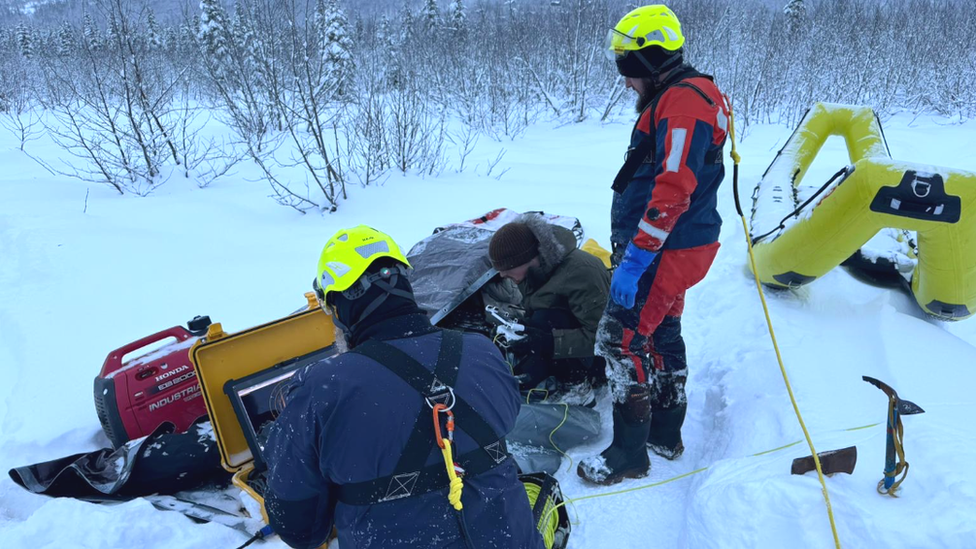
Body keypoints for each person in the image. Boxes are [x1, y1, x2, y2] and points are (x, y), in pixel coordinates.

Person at [263, 225, 545, 549]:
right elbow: (506, 417)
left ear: (340, 308)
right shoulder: (482, 351)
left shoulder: (321, 387)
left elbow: (299, 529)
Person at [577, 5, 730, 486]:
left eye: (629, 69)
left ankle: (628, 454)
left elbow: (675, 186)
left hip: (665, 248)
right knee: (661, 333)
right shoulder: (682, 96)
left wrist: (638, 255)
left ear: (653, 60)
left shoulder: (684, 102)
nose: (625, 82)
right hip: (675, 244)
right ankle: (665, 433)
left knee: (620, 341)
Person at [487, 215, 610, 406]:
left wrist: (549, 342)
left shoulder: (582, 272)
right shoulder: (534, 271)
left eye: (508, 269)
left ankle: (578, 388)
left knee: (549, 318)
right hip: (562, 342)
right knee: (524, 373)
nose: (503, 275)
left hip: (600, 357)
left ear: (528, 258)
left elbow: (605, 338)